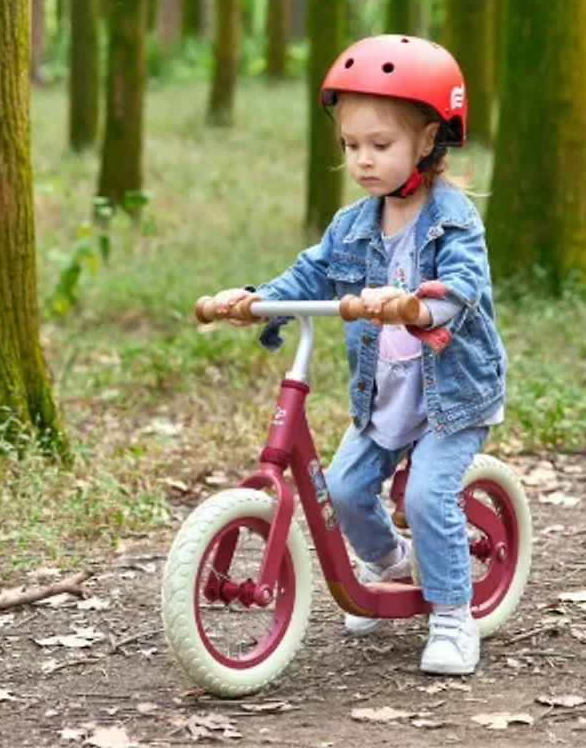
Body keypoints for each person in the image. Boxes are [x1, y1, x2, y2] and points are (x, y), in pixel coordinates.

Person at [211, 34, 507, 675]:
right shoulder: (351, 225)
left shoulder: (452, 220)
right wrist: (256, 298)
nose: (363, 160)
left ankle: (454, 614)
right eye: (351, 146)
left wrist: (412, 305)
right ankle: (391, 564)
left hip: (450, 397)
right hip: (385, 396)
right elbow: (309, 275)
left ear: (428, 140)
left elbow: (461, 288)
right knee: (344, 488)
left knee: (429, 495)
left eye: (380, 145)